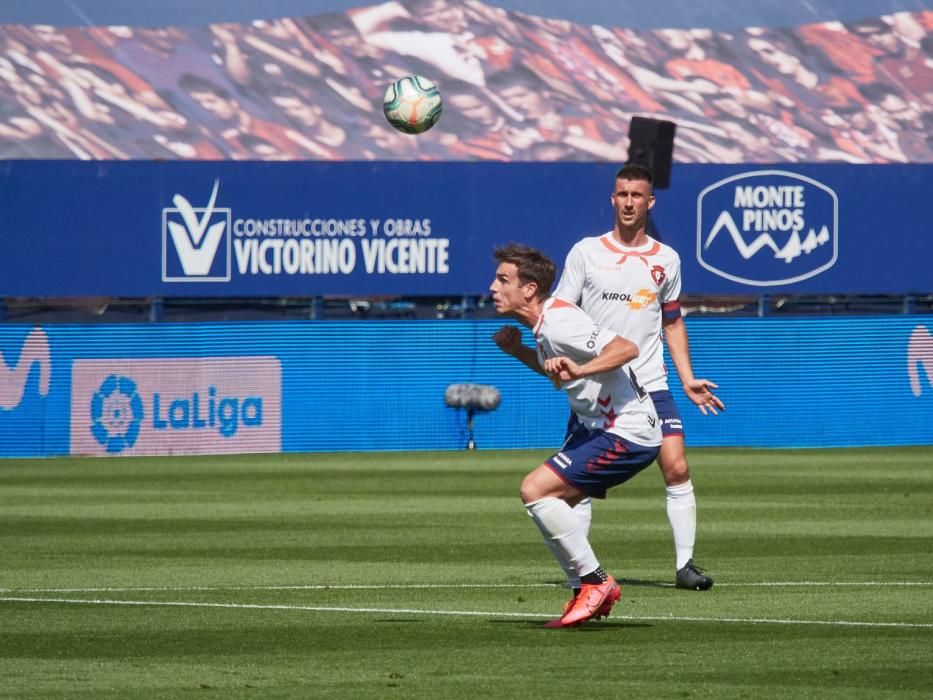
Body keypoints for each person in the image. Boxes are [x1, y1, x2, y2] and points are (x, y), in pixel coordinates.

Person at [504, 163, 723, 590]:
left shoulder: (667, 259)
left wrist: (688, 377)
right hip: (601, 383)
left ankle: (685, 566)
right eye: (621, 194)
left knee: (676, 467)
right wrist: (552, 360)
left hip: (650, 381)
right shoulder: (586, 252)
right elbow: (558, 313)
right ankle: (583, 578)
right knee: (576, 487)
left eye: (636, 196)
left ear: (650, 202)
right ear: (612, 198)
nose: (628, 202)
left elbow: (673, 322)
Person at [490, 243, 662, 628]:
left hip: (628, 431)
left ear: (529, 289)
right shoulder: (544, 325)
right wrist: (519, 351)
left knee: (535, 490)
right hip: (602, 428)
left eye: (503, 280)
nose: (493, 287)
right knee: (555, 504)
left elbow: (626, 348)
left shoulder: (558, 321)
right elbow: (560, 369)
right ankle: (583, 593)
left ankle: (596, 583)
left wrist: (582, 372)